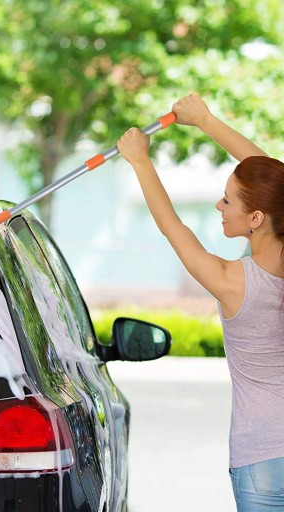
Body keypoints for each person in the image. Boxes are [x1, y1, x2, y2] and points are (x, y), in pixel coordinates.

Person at [117, 93, 284, 512]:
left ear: (256, 218)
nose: (219, 205)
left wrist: (140, 161)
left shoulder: (232, 282)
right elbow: (275, 182)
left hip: (264, 457)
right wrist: (205, 120)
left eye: (228, 200)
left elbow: (171, 226)